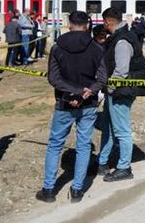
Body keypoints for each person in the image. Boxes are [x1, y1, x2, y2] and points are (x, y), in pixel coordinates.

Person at [36, 11, 107, 204]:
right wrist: (86, 92)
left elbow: (54, 78)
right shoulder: (97, 48)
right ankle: (77, 190)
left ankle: (49, 190)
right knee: (84, 146)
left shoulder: (57, 47)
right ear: (87, 25)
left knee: (55, 145)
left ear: (69, 24)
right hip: (89, 104)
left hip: (64, 103)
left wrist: (73, 92)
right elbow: (102, 79)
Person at [97, 7, 145, 182]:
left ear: (108, 22)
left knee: (121, 131)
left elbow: (121, 71)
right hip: (114, 91)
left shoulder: (121, 41)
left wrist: (109, 89)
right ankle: (103, 163)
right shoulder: (120, 37)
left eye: (104, 23)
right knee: (108, 127)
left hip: (120, 91)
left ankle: (124, 167)